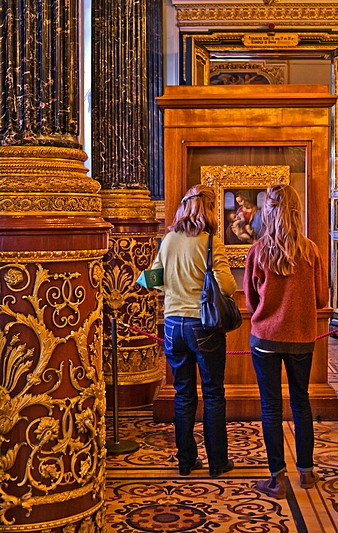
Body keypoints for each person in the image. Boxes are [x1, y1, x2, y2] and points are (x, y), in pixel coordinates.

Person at [243, 184, 329, 499]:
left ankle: (277, 479)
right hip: (302, 337)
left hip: (265, 337)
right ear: (297, 210)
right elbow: (321, 299)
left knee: (270, 406)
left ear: (269, 210)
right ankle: (306, 472)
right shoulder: (311, 250)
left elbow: (252, 304)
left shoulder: (258, 250)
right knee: (301, 402)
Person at [152, 184, 237, 478]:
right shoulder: (211, 241)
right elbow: (227, 286)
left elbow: (153, 279)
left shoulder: (170, 239)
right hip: (204, 325)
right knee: (213, 393)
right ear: (210, 207)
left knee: (183, 393)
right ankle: (217, 462)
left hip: (173, 324)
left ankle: (186, 461)